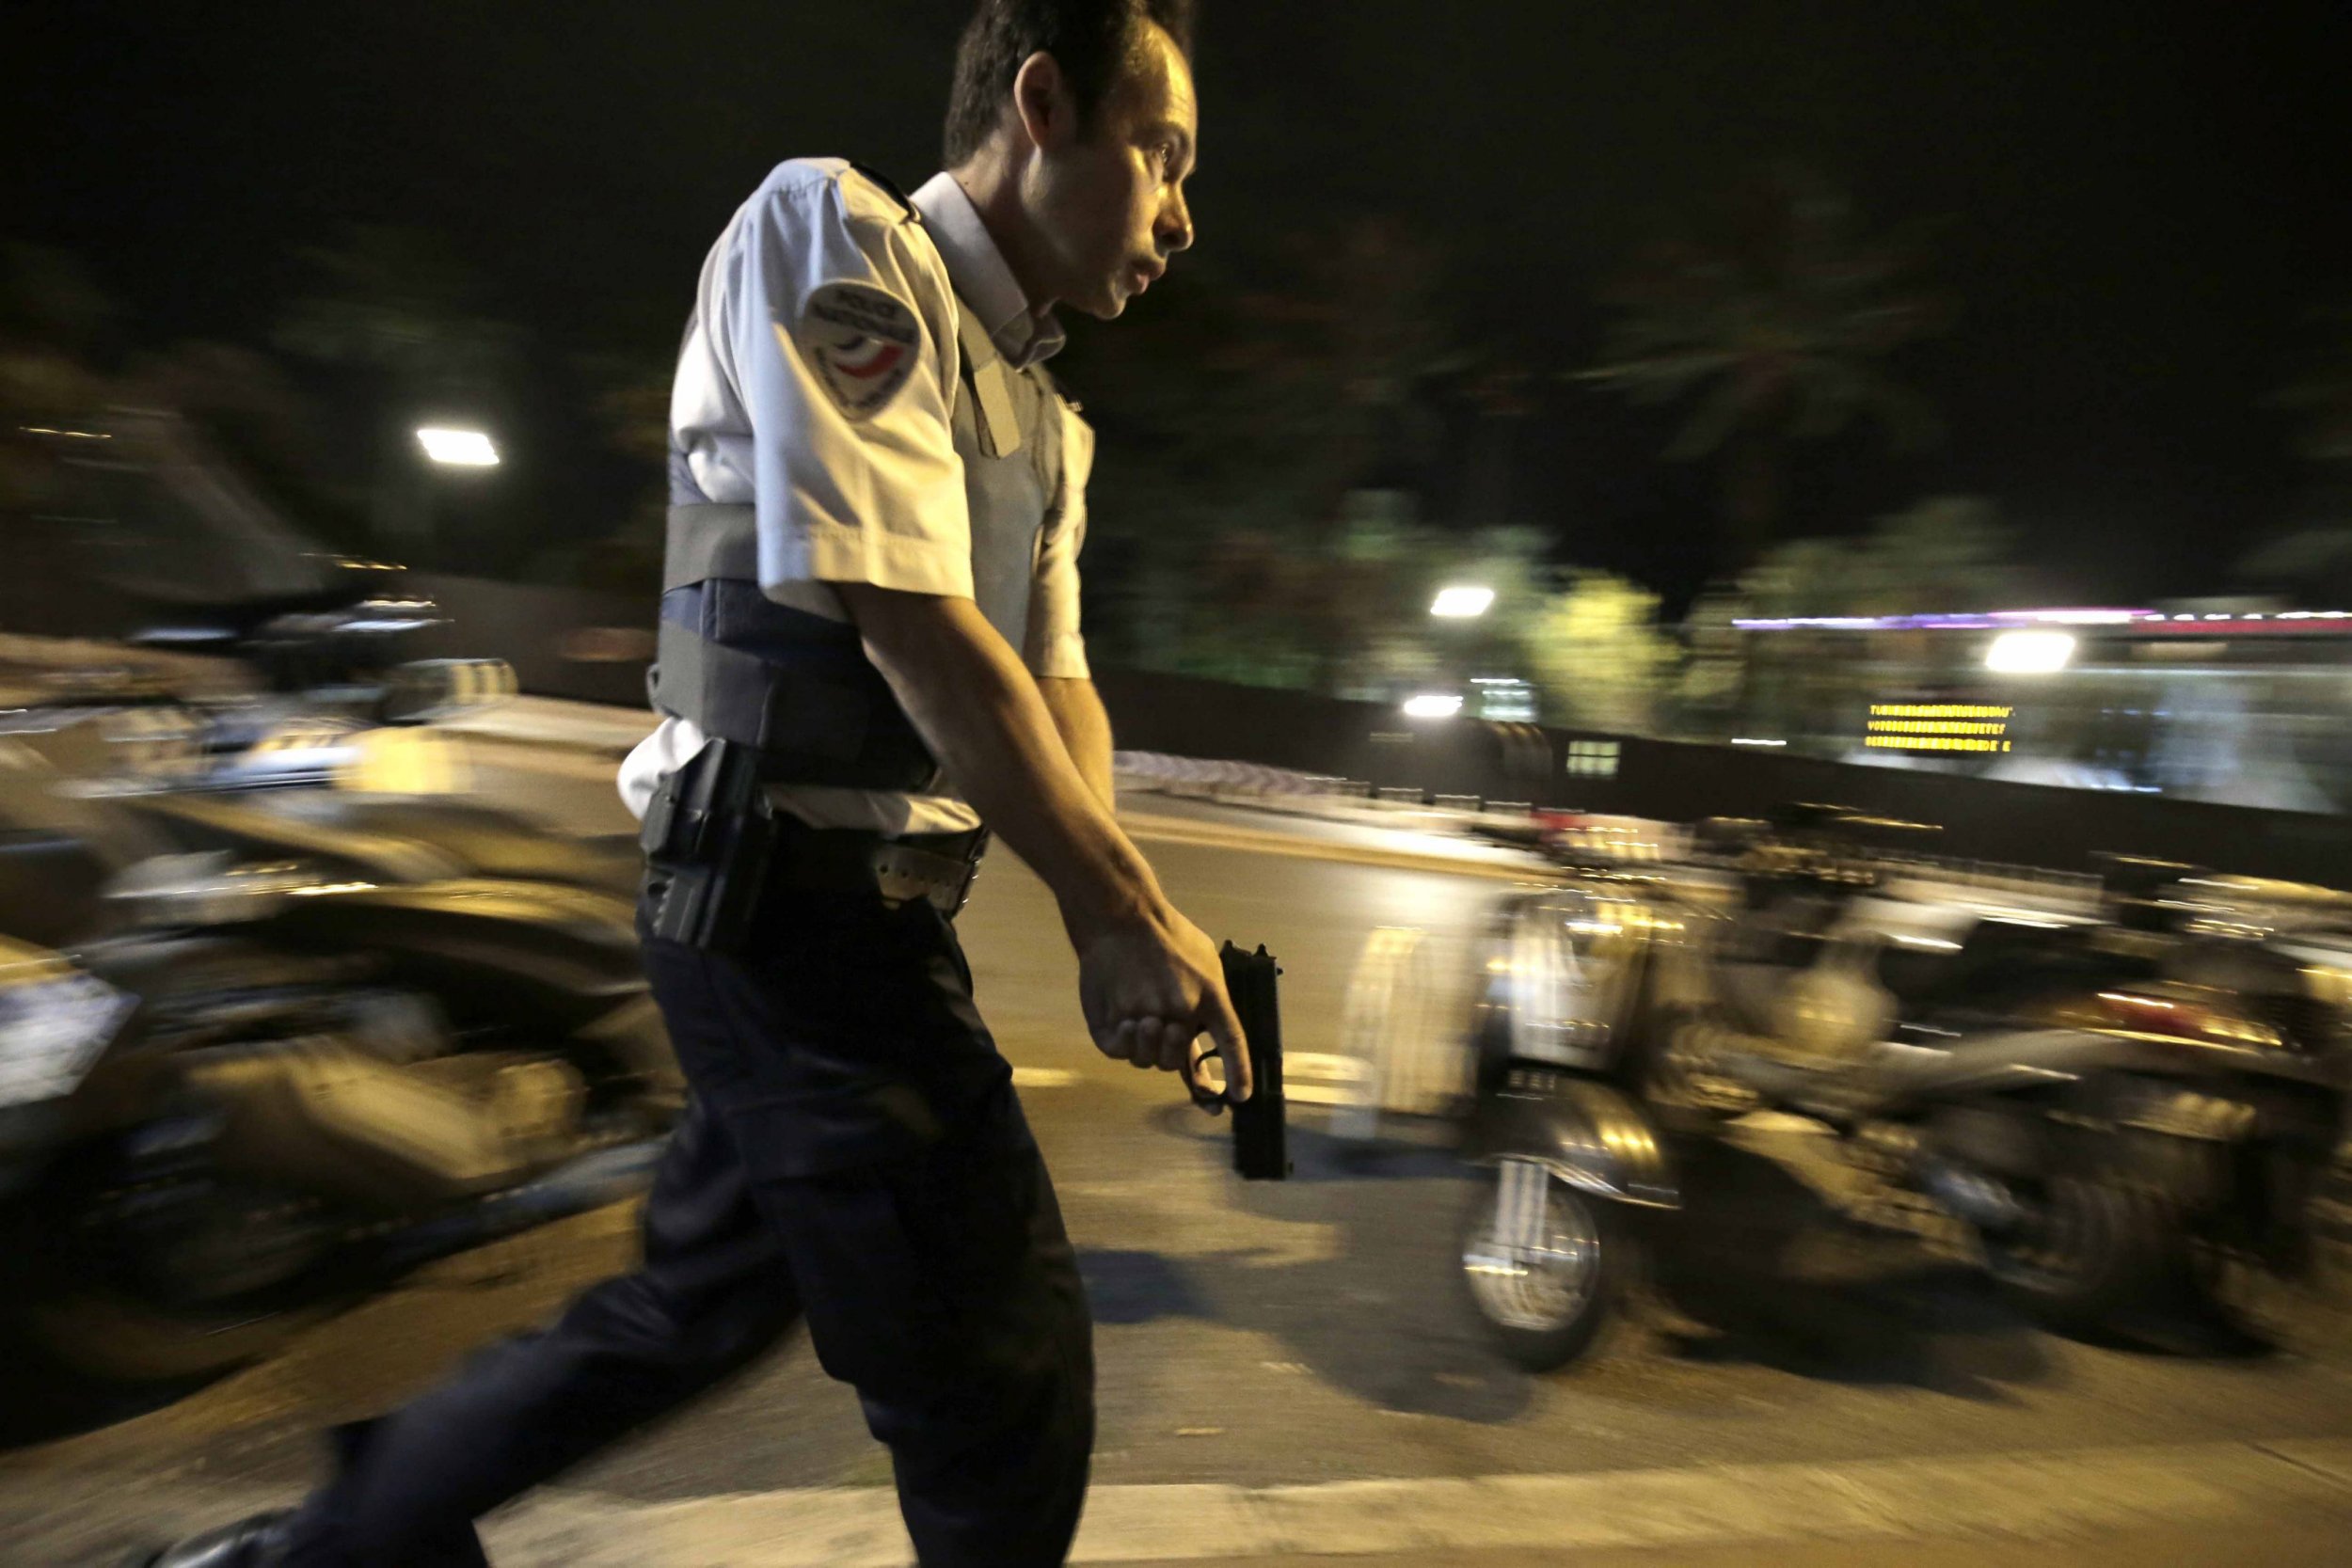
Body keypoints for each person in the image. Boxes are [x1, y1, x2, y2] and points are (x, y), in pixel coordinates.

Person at [134, 2, 1232, 1564]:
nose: (1181, 214)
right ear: (1042, 105)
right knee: (1003, 1389)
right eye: (1161, 153)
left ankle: (321, 1550)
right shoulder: (835, 237)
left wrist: (1121, 912)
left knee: (684, 1317)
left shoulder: (1048, 428)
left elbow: (1057, 688)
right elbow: (910, 624)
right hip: (778, 911)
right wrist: (1117, 908)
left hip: (864, 931)